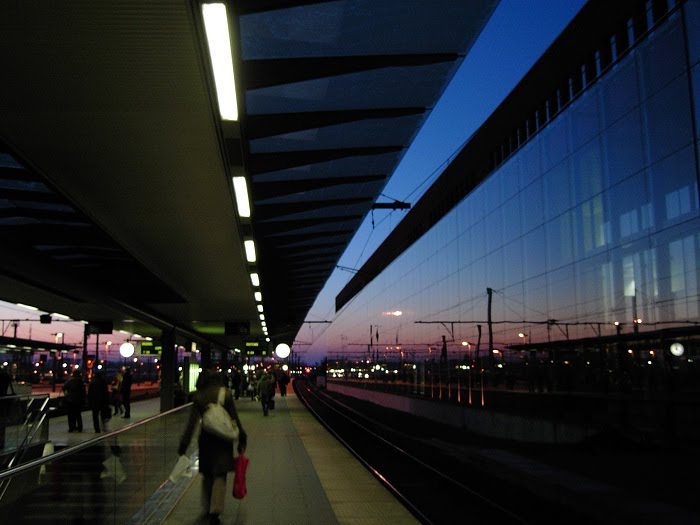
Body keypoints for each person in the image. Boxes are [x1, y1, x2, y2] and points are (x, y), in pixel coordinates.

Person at [178, 371, 247, 525]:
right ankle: (215, 510)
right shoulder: (225, 394)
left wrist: (184, 444)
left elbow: (191, 424)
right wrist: (242, 436)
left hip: (206, 440)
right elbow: (234, 418)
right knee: (220, 475)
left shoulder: (199, 396)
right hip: (223, 441)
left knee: (208, 475)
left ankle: (207, 507)